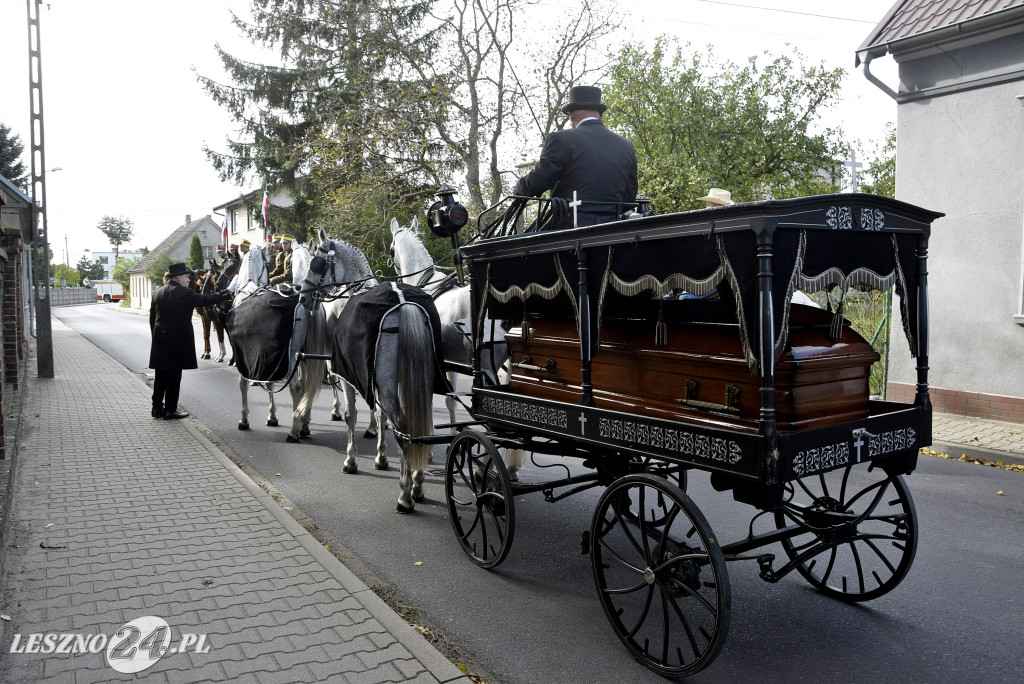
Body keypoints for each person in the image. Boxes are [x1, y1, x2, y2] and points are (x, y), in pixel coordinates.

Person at [513, 85, 638, 229]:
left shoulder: (560, 139)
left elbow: (540, 180)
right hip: (611, 230)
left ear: (571, 114)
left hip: (567, 229)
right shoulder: (626, 146)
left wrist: (520, 187)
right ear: (600, 115)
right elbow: (629, 198)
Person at [149, 263, 232, 419]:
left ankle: (156, 408)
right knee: (174, 377)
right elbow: (207, 300)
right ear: (178, 277)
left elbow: (152, 320)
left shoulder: (157, 293)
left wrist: (156, 338)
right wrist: (228, 292)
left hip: (160, 340)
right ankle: (170, 410)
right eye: (186, 277)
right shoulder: (184, 293)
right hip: (178, 340)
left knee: (160, 376)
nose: (188, 279)